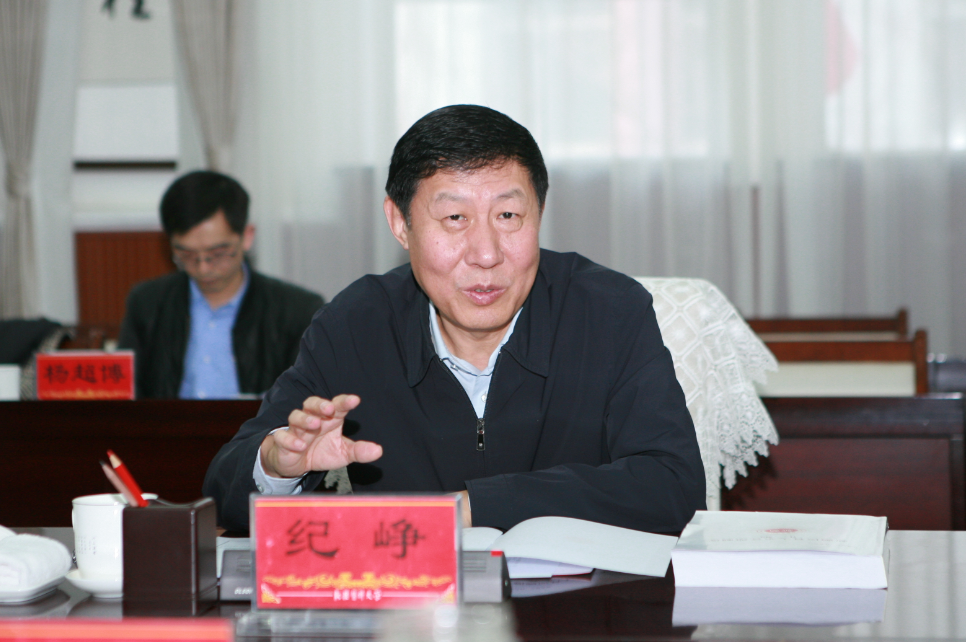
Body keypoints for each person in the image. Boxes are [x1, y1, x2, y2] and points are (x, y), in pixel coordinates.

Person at [204, 105, 705, 533]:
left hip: (577, 605)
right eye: (455, 219)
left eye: (508, 216)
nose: (486, 254)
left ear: (539, 212)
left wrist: (474, 508)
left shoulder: (608, 312)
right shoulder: (356, 325)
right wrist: (278, 466)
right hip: (411, 608)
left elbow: (673, 486)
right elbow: (222, 489)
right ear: (400, 223)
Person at [118, 171, 324, 399]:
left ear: (247, 236)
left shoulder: (297, 311)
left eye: (217, 253)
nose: (203, 268)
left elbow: (302, 399)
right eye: (186, 255)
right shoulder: (147, 304)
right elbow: (127, 396)